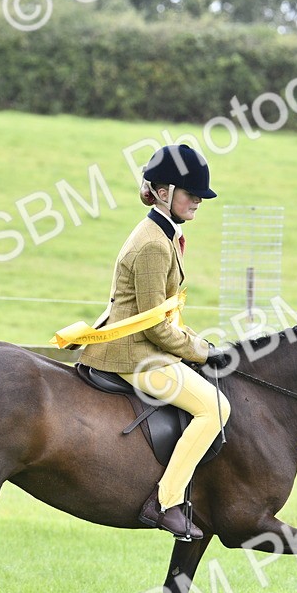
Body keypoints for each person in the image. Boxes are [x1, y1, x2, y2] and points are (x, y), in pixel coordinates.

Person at [77, 144, 231, 540]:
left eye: (200, 195)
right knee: (215, 409)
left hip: (143, 344)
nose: (198, 200)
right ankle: (166, 503)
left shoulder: (163, 234)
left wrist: (199, 340)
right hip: (134, 356)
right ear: (163, 193)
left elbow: (166, 314)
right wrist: (203, 352)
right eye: (189, 192)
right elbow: (155, 329)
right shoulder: (151, 244)